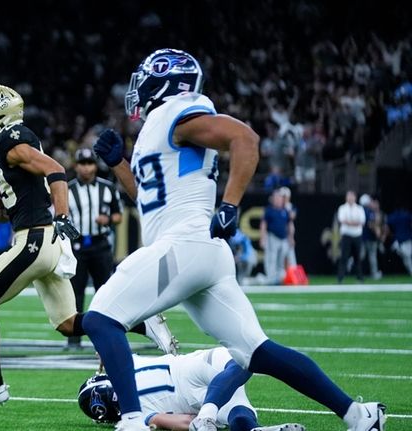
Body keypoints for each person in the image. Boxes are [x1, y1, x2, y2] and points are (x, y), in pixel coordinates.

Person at [85, 48, 385, 431]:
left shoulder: (178, 111)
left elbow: (245, 138)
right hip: (201, 253)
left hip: (186, 244)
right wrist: (119, 165)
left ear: (164, 81)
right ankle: (359, 415)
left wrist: (229, 205)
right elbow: (147, 199)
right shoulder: (161, 127)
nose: (138, 89)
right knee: (255, 351)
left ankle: (131, 421)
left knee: (100, 318)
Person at [0, 85, 176, 406]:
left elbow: (55, 169)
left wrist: (61, 215)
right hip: (43, 240)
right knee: (68, 324)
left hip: (36, 239)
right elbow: (14, 208)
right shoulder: (12, 140)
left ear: (0, 112)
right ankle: (141, 323)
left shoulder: (10, 138)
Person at [78, 347, 305, 431]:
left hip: (195, 402)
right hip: (190, 368)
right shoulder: (125, 364)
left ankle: (225, 419)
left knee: (231, 413)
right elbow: (106, 345)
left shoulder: (134, 416)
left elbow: (185, 422)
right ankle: (248, 427)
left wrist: (200, 418)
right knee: (244, 361)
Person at [66, 147, 129, 349]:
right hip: (76, 246)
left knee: (105, 291)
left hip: (100, 244)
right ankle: (74, 340)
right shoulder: (66, 189)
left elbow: (119, 216)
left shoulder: (107, 188)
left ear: (95, 165)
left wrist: (108, 219)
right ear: (76, 166)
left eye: (90, 163)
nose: (86, 168)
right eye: (82, 164)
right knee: (75, 293)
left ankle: (107, 337)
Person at [259, 189, 293, 285]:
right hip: (272, 237)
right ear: (273, 199)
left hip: (283, 238)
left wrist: (290, 238)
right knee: (271, 258)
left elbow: (289, 225)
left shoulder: (285, 211)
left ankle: (279, 278)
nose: (278, 200)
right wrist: (263, 238)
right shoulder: (269, 210)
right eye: (276, 198)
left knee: (281, 259)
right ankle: (270, 278)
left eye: (279, 198)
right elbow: (263, 224)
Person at [337, 191, 365, 283]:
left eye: (352, 197)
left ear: (355, 198)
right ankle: (340, 278)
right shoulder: (342, 208)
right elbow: (342, 220)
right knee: (344, 257)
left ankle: (360, 277)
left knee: (357, 257)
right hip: (346, 236)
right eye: (348, 197)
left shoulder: (359, 208)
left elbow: (362, 221)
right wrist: (354, 223)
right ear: (346, 198)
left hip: (357, 236)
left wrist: (350, 222)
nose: (350, 198)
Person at [359, 194, 383, 280]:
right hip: (370, 238)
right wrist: (377, 232)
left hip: (361, 237)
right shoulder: (369, 211)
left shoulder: (359, 210)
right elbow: (371, 224)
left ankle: (358, 273)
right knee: (372, 256)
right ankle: (374, 274)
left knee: (360, 256)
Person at [385, 205, 412, 275]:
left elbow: (387, 228)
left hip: (400, 239)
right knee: (407, 257)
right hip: (405, 239)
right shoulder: (407, 215)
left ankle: (398, 248)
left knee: (407, 257)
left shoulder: (394, 216)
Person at [278, 187, 297, 268]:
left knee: (291, 255)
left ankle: (294, 273)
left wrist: (291, 237)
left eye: (285, 196)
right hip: (279, 235)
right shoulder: (277, 207)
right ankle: (281, 275)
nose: (284, 198)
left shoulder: (290, 207)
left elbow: (292, 217)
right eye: (282, 196)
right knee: (280, 257)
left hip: (288, 235)